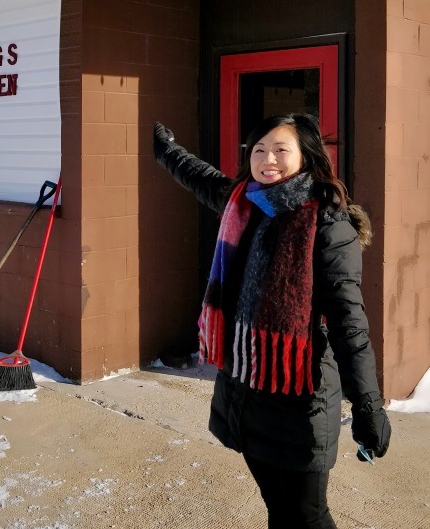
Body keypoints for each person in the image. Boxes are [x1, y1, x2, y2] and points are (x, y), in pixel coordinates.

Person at [153, 113, 390, 529]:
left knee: (307, 516)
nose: (268, 160)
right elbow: (200, 177)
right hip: (247, 392)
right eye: (259, 150)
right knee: (279, 511)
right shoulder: (245, 202)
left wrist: (368, 405)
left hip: (301, 398)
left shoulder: (329, 226)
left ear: (308, 156)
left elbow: (348, 321)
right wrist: (165, 149)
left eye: (281, 150)